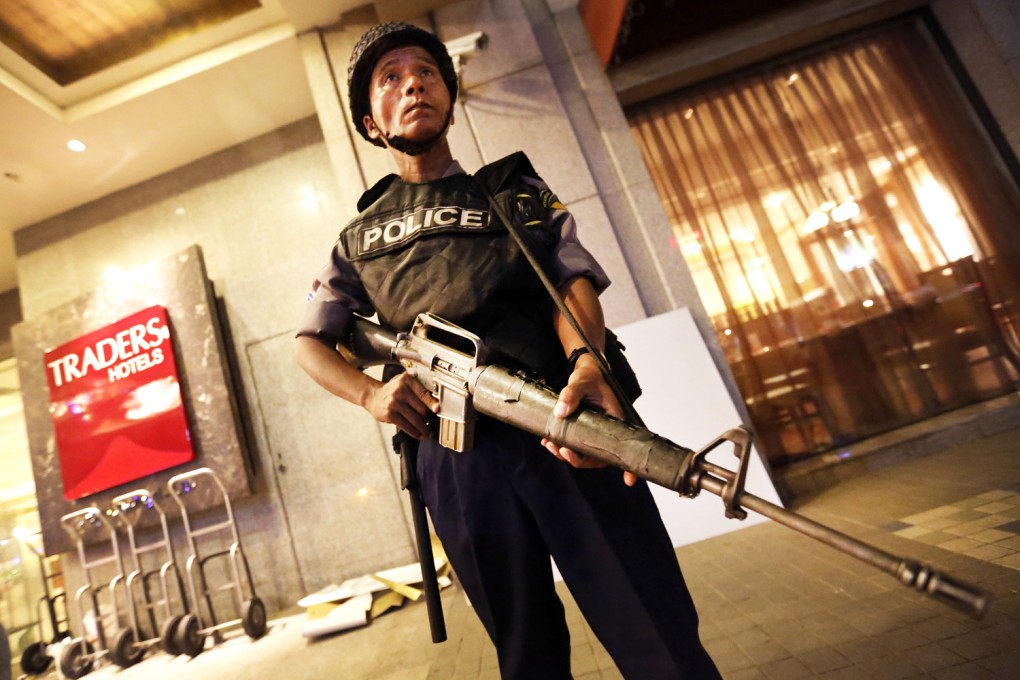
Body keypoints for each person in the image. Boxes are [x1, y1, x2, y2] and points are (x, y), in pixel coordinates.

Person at [295, 22, 720, 680]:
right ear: (368, 120)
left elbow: (569, 282)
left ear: (450, 95)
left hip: (560, 414)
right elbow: (311, 343)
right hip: (456, 454)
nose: (414, 82)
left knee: (655, 629)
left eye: (428, 72)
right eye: (392, 77)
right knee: (526, 654)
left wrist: (587, 361)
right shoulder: (356, 238)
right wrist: (372, 394)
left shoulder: (513, 185)